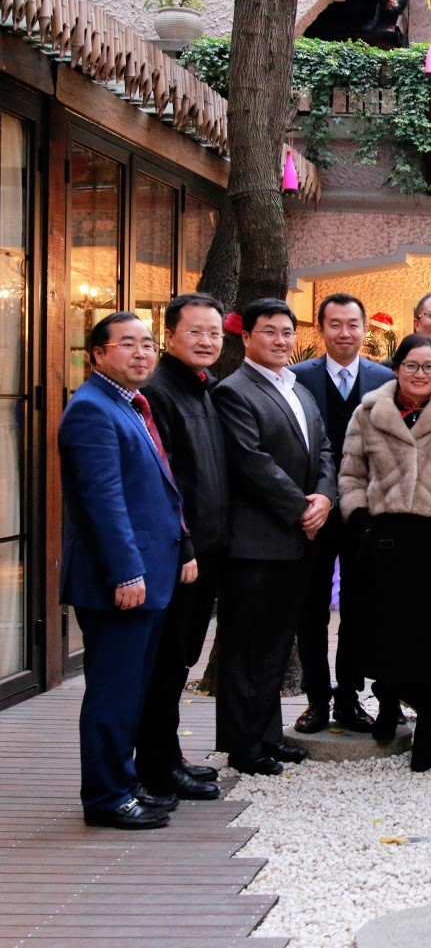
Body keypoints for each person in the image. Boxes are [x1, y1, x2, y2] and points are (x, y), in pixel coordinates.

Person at [60, 311, 192, 829]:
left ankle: (124, 782)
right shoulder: (92, 410)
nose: (142, 353)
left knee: (132, 690)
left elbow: (158, 488)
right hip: (120, 582)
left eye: (147, 344)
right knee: (113, 694)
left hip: (150, 575)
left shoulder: (130, 403)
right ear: (98, 354)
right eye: (128, 344)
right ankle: (106, 797)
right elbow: (103, 502)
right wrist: (126, 573)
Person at [339, 333, 431, 771]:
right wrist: (361, 520)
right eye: (412, 365)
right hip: (383, 540)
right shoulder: (369, 412)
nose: (421, 374)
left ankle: (424, 729)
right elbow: (351, 474)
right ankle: (387, 704)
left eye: (429, 367)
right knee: (385, 631)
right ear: (397, 368)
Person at [212, 297, 336, 776]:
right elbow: (251, 462)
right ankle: (243, 745)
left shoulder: (298, 388)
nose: (281, 340)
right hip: (257, 543)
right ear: (246, 337)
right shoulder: (234, 391)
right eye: (269, 331)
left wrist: (325, 497)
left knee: (276, 644)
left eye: (287, 332)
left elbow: (323, 450)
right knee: (245, 646)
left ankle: (268, 735)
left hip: (299, 539)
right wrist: (301, 507)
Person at [133, 294, 228, 802]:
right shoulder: (159, 391)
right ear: (169, 335)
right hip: (178, 554)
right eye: (195, 332)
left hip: (205, 551)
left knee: (181, 658)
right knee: (166, 662)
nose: (206, 341)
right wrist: (186, 545)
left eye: (214, 333)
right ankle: (157, 765)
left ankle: (168, 756)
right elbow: (164, 480)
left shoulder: (202, 387)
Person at [289, 292, 394, 736]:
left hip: (365, 514)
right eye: (335, 324)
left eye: (353, 324)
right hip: (313, 510)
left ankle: (350, 696)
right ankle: (316, 698)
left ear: (365, 329)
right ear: (320, 329)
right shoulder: (297, 378)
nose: (345, 333)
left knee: (358, 606)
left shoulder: (385, 379)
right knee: (311, 607)